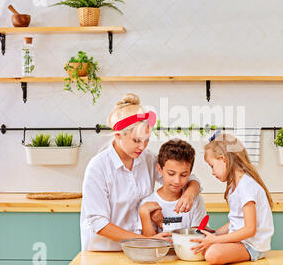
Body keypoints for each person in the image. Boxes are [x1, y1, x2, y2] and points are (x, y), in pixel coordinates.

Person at [80, 93, 202, 251]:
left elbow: (187, 178)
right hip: (105, 252)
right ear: (118, 136)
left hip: (139, 250)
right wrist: (145, 240)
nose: (142, 146)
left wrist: (189, 194)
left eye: (147, 139)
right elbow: (98, 223)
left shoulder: (147, 159)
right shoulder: (98, 167)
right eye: (136, 140)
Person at [191, 131, 274, 265]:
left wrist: (215, 240)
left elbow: (249, 229)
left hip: (252, 246)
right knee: (205, 248)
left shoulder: (246, 186)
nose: (212, 172)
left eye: (212, 166)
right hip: (242, 242)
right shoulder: (233, 187)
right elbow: (236, 222)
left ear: (223, 159)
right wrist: (215, 234)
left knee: (212, 254)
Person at [137, 139, 208, 235]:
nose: (177, 181)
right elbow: (150, 244)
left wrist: (163, 223)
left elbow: (196, 237)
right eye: (171, 174)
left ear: (190, 173)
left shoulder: (195, 200)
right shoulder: (147, 204)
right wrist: (144, 214)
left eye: (183, 175)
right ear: (160, 169)